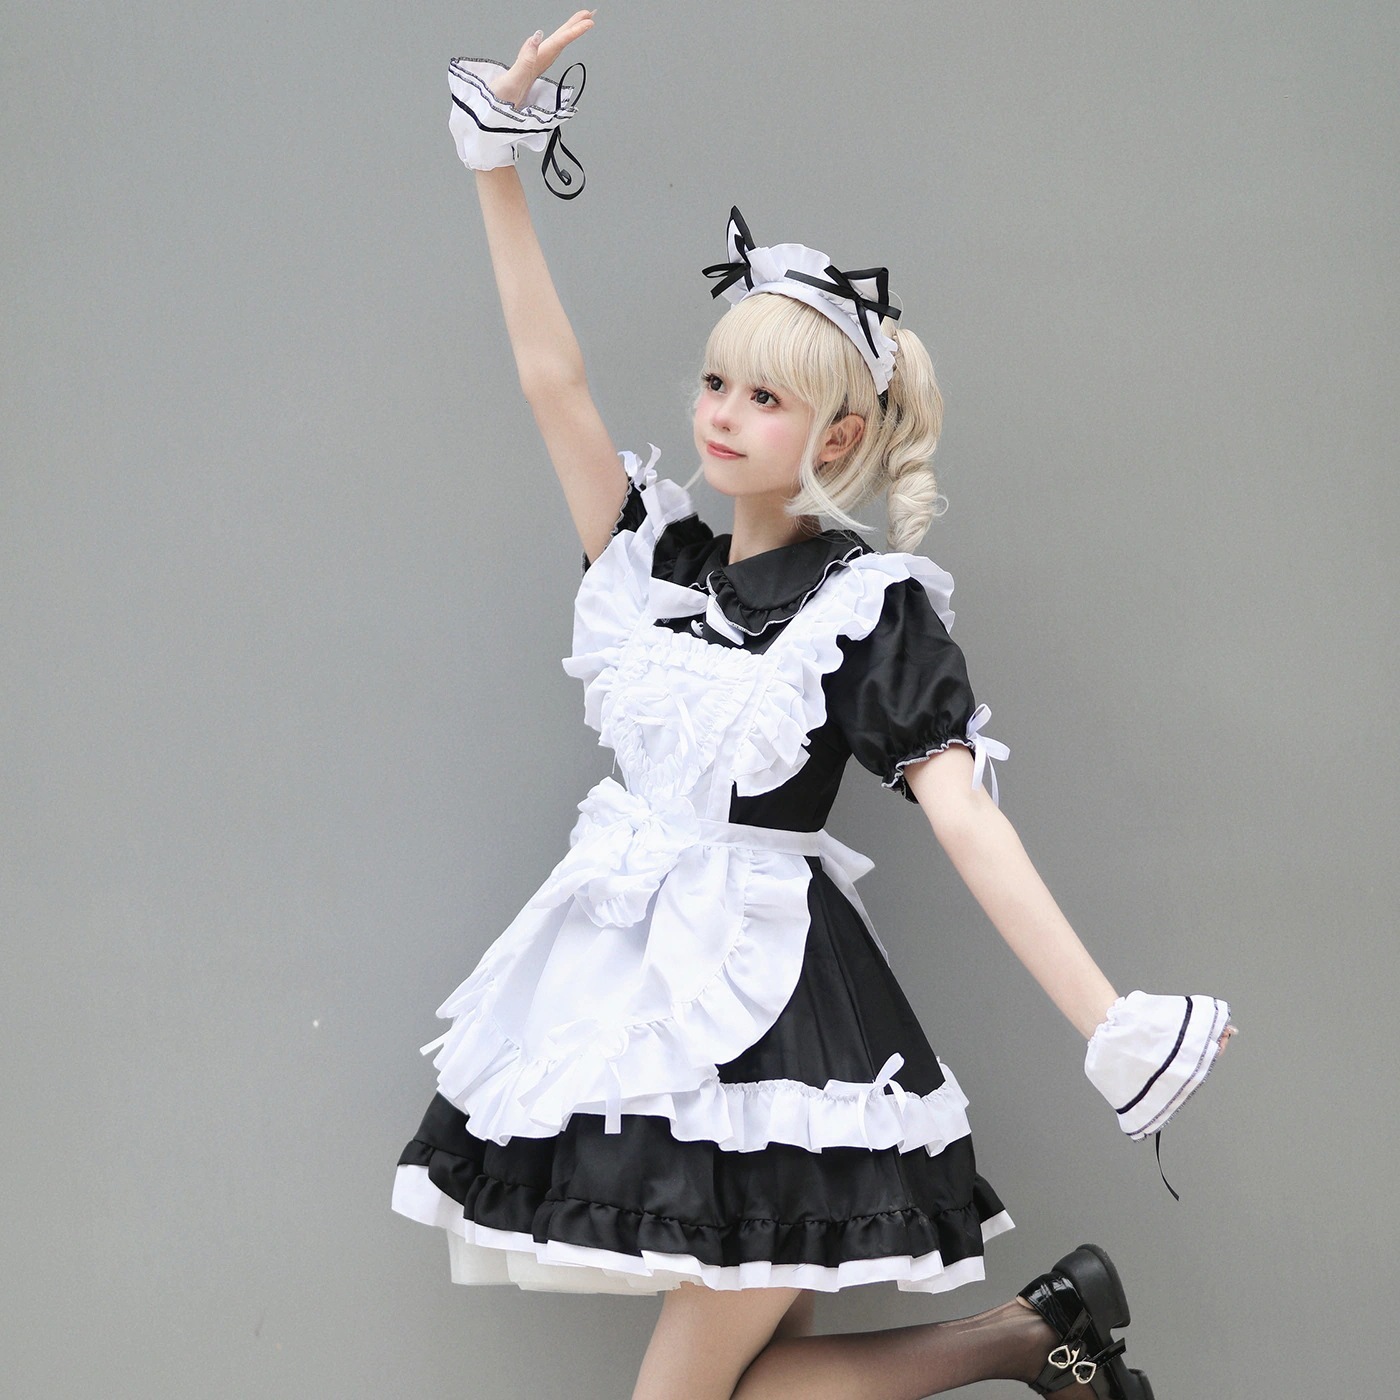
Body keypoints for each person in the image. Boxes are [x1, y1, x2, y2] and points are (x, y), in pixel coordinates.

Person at [391, 13, 1237, 1398]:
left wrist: (1112, 1024)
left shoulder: (868, 607)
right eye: (716, 381)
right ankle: (1041, 1332)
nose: (723, 413)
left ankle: (1037, 1332)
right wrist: (497, 163)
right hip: (622, 980)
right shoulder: (651, 558)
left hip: (777, 1001)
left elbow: (967, 821)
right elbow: (552, 380)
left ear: (837, 435)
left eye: (765, 397)